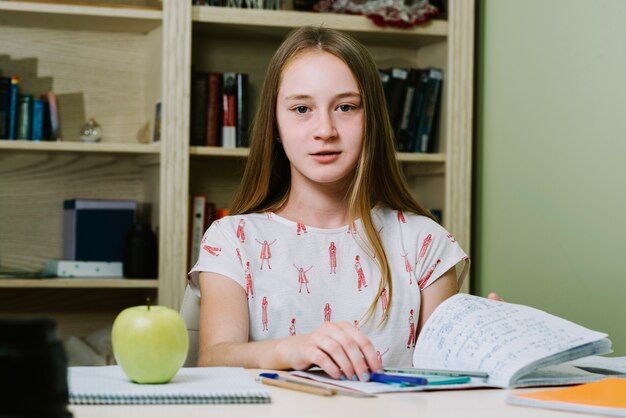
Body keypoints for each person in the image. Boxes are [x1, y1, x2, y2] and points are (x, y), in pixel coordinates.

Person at [189, 25, 470, 383]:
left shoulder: (425, 243)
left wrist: (480, 341)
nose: (325, 129)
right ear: (275, 124)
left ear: (372, 121)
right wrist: (291, 349)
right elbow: (214, 358)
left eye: (346, 107)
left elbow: (446, 376)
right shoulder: (231, 238)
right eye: (302, 108)